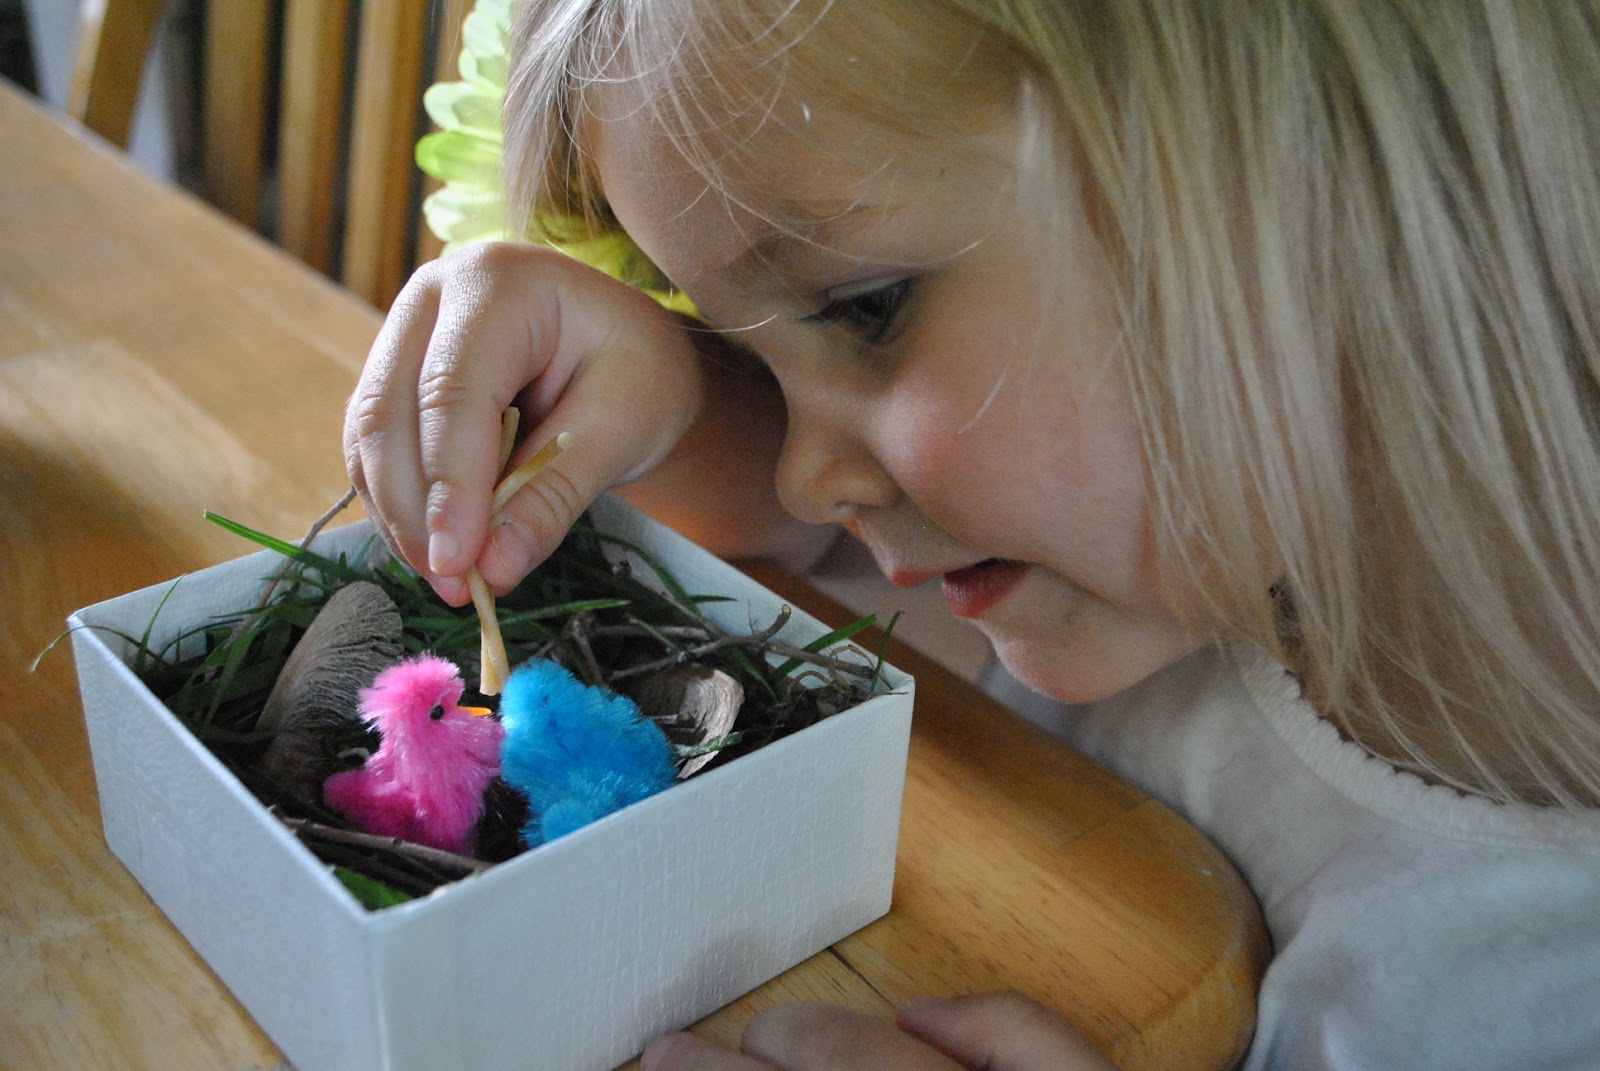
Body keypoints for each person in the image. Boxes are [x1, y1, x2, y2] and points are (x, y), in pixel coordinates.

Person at [343, 1, 1600, 1068]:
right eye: (758, 357)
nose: (800, 465)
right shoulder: (1147, 558)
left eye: (864, 307)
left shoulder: (1517, 991)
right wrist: (661, 385)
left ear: (1321, 164)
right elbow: (774, 518)